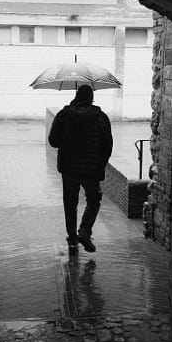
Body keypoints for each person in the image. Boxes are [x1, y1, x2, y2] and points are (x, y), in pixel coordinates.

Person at [48, 84, 113, 252]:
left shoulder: (63, 115)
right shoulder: (100, 117)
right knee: (94, 200)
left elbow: (53, 141)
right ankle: (84, 231)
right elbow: (107, 145)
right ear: (91, 98)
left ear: (77, 96)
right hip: (91, 170)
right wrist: (101, 165)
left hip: (68, 168)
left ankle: (72, 237)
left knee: (70, 203)